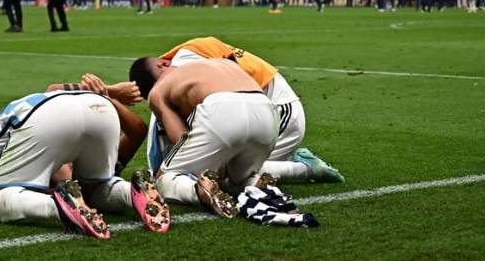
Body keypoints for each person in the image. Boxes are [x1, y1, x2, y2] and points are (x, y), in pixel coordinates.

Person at [0, 88, 170, 237]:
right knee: (94, 190)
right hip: (99, 108)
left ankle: (59, 207)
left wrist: (51, 195)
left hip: (48, 117)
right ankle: (131, 193)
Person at [138, 36, 343, 185]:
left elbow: (169, 123)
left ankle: (300, 166)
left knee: (219, 175)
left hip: (279, 110)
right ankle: (304, 168)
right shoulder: (195, 49)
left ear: (163, 63)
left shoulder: (183, 61)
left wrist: (161, 167)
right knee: (230, 174)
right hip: (260, 109)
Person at [129, 57, 279, 218]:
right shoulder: (212, 63)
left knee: (164, 179)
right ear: (163, 63)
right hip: (267, 111)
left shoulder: (156, 92)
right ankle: (255, 185)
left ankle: (199, 191)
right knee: (236, 178)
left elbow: (181, 139)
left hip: (222, 107)